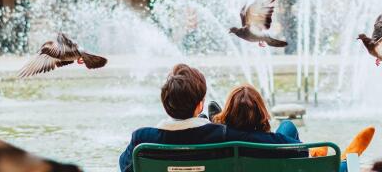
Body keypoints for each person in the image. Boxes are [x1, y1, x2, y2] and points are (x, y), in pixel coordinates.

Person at [118, 64, 304, 172]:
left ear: (165, 104)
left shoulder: (142, 140)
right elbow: (288, 148)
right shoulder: (223, 135)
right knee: (287, 127)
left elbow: (124, 166)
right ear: (200, 104)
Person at [211, 84, 375, 172]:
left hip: (242, 157)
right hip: (276, 159)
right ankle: (349, 157)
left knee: (287, 126)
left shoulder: (218, 137)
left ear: (228, 110)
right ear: (261, 112)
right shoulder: (275, 143)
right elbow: (304, 151)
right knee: (342, 166)